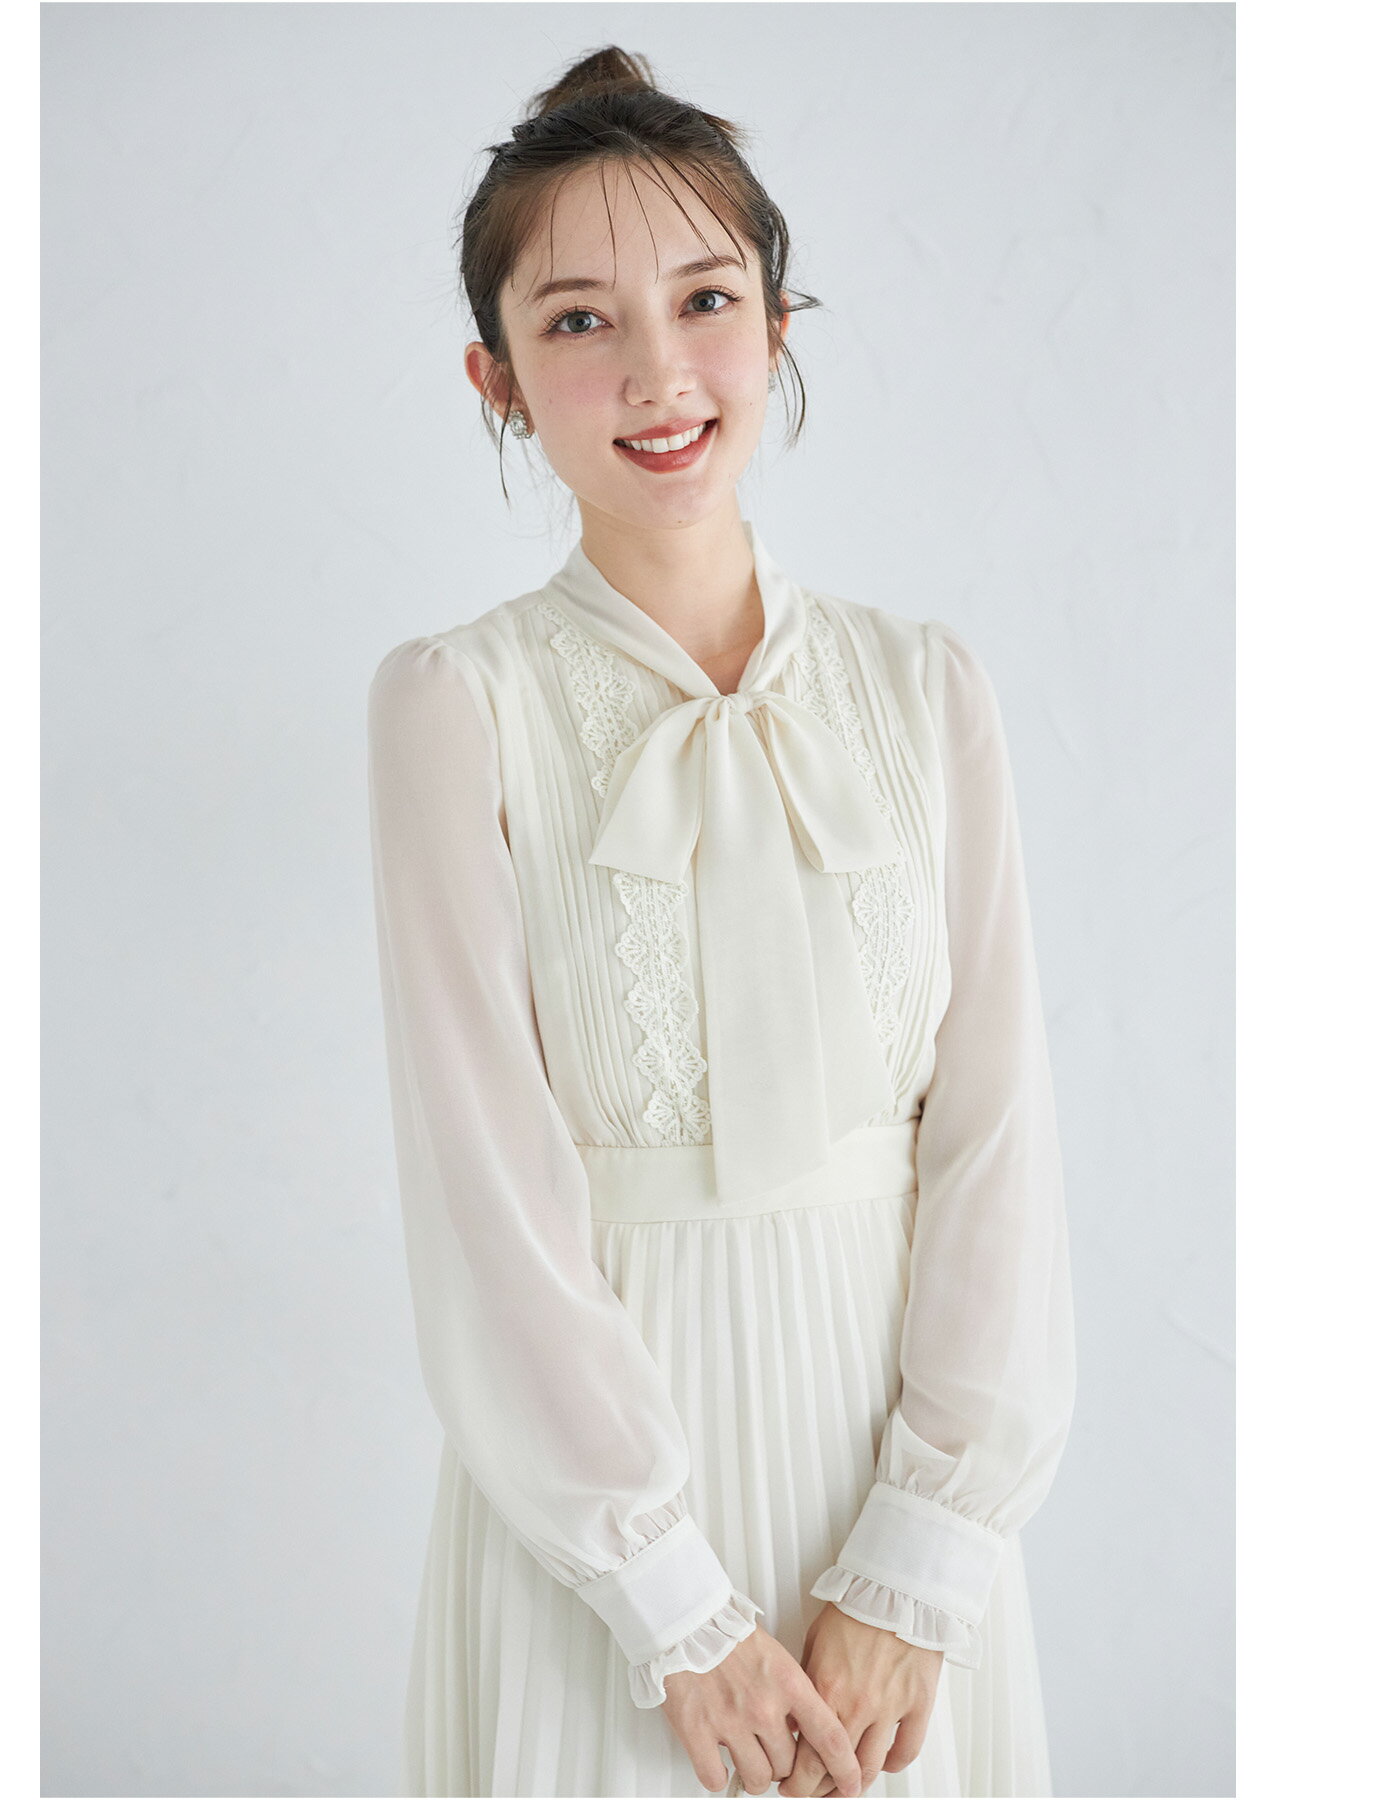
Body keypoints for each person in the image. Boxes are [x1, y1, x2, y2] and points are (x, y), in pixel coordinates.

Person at [367, 45, 1076, 1800]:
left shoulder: (926, 689)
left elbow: (997, 1139)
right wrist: (673, 1608)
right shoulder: (458, 705)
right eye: (579, 322)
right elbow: (484, 1193)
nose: (659, 371)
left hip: (896, 1513)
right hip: (597, 1541)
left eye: (705, 299)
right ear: (495, 378)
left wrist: (921, 1560)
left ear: (778, 326)